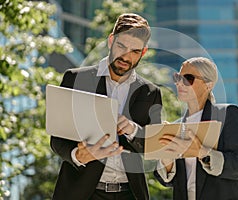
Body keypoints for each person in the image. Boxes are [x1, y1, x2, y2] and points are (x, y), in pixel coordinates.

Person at [50, 13, 162, 200]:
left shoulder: (150, 92)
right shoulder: (76, 79)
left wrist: (134, 131)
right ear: (111, 41)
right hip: (83, 193)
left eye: (135, 51)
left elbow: (155, 148)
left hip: (130, 194)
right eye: (121, 46)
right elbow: (57, 139)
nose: (126, 56)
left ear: (143, 52)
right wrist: (78, 155)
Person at [154, 57, 238, 199]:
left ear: (209, 84)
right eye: (177, 78)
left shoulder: (227, 114)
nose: (180, 83)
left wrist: (202, 153)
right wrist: (167, 161)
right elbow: (168, 182)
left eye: (188, 78)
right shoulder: (175, 127)